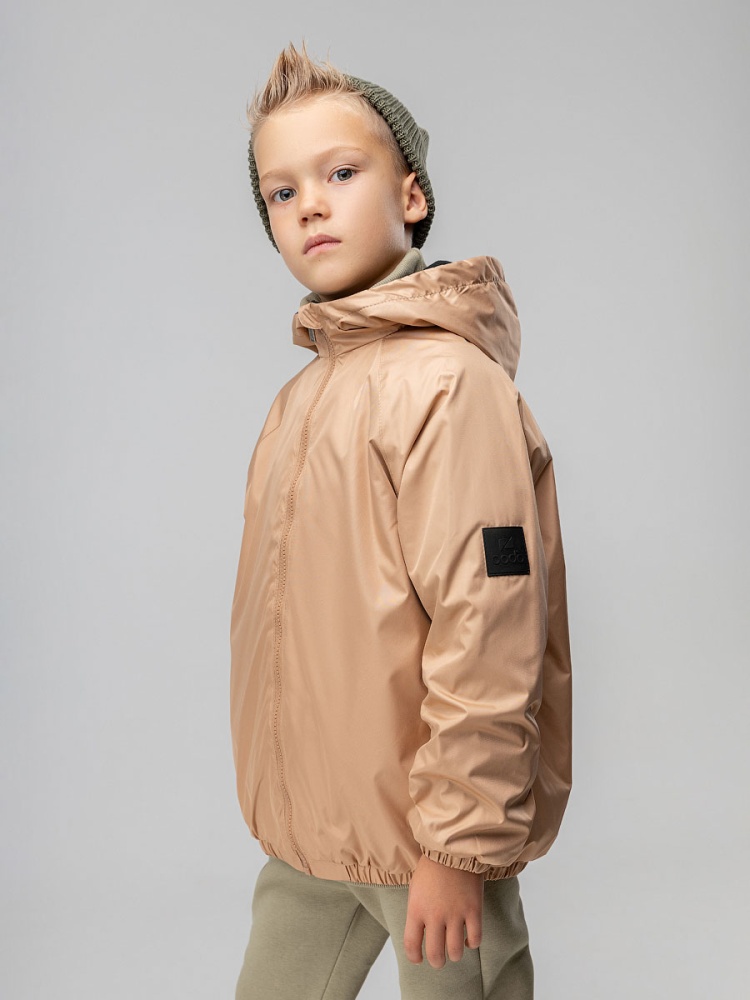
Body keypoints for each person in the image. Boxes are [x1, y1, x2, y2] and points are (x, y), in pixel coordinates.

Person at [229, 39, 573, 1000]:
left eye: (341, 173)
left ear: (411, 195)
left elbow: (489, 621)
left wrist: (458, 845)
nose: (311, 205)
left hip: (431, 839)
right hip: (314, 832)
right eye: (282, 192)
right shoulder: (303, 399)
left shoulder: (448, 384)